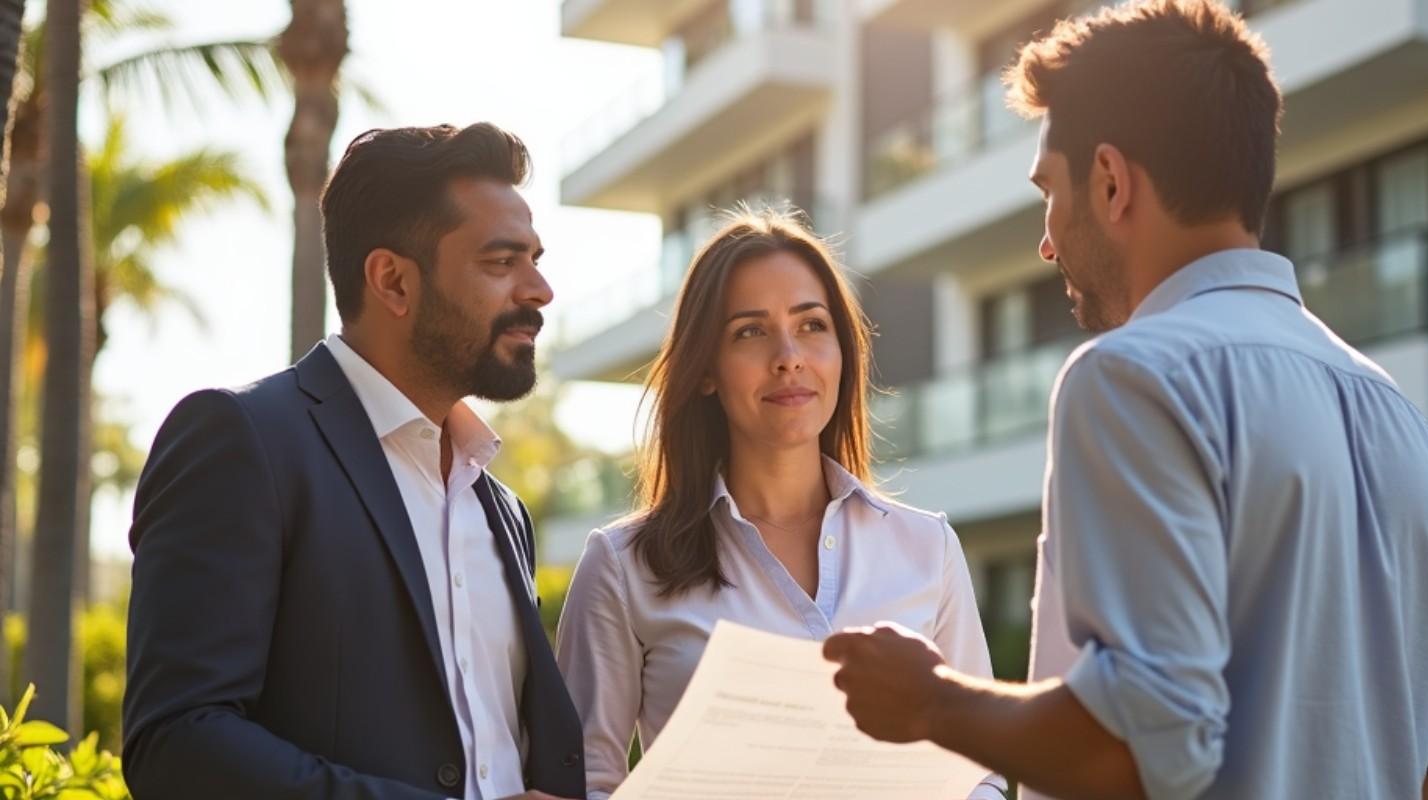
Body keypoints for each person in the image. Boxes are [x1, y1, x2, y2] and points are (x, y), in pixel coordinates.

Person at [822, 2, 1428, 798]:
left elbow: (1149, 746)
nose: (1046, 241)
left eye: (1049, 191)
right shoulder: (1417, 435)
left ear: (1110, 181)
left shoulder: (1129, 377)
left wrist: (931, 698)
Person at [123, 123, 584, 800]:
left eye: (536, 258)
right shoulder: (242, 440)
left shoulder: (503, 509)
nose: (538, 289)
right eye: (500, 262)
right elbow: (177, 742)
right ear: (393, 281)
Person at [555, 209, 1007, 799]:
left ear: (842, 355)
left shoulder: (928, 548)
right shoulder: (622, 566)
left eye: (812, 325)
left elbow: (980, 768)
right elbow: (582, 783)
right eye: (750, 331)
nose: (789, 355)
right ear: (706, 371)